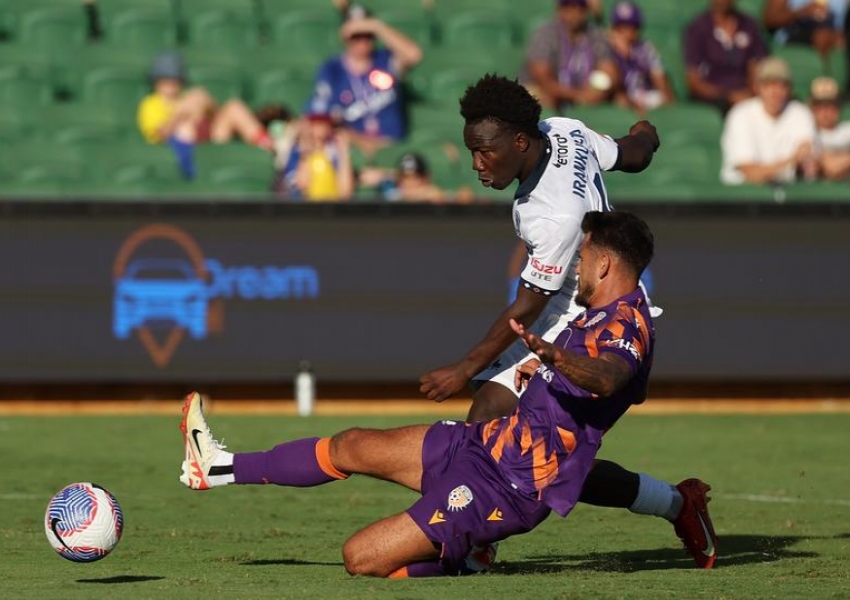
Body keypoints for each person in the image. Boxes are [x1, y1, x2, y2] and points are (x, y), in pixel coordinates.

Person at [180, 211, 714, 577]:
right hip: (484, 445)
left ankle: (466, 556)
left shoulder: (628, 325)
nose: (576, 263)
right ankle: (218, 466)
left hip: (506, 488)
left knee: (360, 558)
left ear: (604, 264)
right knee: (354, 444)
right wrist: (532, 370)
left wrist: (556, 358)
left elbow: (611, 378)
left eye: (584, 255)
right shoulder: (595, 314)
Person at [418, 74, 717, 569]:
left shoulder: (554, 214)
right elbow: (633, 155)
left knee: (518, 441)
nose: (476, 163)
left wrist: (461, 367)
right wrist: (647, 133)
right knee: (504, 435)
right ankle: (675, 503)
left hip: (590, 322)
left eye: (485, 151)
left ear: (519, 141)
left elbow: (529, 304)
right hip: (568, 309)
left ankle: (476, 538)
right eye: (471, 150)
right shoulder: (564, 130)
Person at [305, 4, 423, 157]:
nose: (363, 41)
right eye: (357, 36)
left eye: (367, 35)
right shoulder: (332, 70)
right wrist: (359, 140)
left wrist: (377, 27)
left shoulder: (385, 59)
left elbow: (414, 55)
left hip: (393, 148)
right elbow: (318, 119)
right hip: (355, 152)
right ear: (345, 36)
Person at [136, 52, 273, 179]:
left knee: (233, 107)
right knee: (186, 125)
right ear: (157, 82)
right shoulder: (150, 104)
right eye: (166, 79)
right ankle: (211, 165)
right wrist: (181, 114)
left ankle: (271, 150)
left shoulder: (187, 97)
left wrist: (206, 104)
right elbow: (160, 136)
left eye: (175, 79)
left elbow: (215, 118)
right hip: (180, 152)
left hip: (210, 141)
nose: (171, 84)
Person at [720, 57, 817, 185]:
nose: (775, 91)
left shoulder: (800, 113)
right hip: (742, 195)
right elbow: (749, 172)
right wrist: (792, 162)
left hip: (788, 194)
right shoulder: (740, 114)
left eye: (782, 85)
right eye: (769, 85)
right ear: (757, 87)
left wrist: (805, 163)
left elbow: (808, 162)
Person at [519, 0, 619, 110]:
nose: (574, 12)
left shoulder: (594, 34)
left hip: (582, 92)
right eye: (568, 6)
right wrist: (578, 95)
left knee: (618, 98)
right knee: (543, 98)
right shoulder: (546, 33)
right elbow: (542, 77)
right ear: (560, 9)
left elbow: (610, 72)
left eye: (580, 7)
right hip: (548, 91)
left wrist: (598, 92)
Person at [683, 0, 769, 114]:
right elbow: (694, 82)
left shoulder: (748, 25)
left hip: (745, 93)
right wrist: (729, 96)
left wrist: (750, 93)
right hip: (714, 97)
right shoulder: (698, 28)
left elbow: (756, 67)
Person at [607, 1, 676, 112]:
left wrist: (631, 56)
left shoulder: (646, 48)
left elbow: (661, 81)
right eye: (621, 27)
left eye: (631, 27)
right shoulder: (605, 48)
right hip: (622, 100)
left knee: (663, 100)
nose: (626, 32)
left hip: (646, 97)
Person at [273, 112, 355, 201]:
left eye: (324, 124)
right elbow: (302, 184)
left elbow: (345, 192)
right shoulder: (295, 152)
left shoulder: (334, 153)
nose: (319, 128)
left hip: (332, 207)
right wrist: (305, 152)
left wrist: (344, 153)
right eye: (315, 124)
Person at [762, 0, 847, 61]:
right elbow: (771, 19)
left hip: (833, 35)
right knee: (821, 35)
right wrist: (802, 12)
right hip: (793, 33)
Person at [809, 75, 850, 179]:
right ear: (812, 108)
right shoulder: (807, 133)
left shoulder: (847, 129)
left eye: (830, 104)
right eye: (820, 105)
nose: (825, 111)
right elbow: (831, 168)